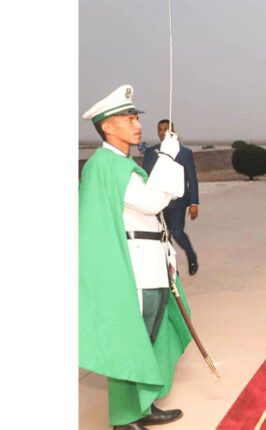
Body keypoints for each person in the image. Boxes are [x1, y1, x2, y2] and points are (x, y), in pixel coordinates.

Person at [79, 85, 191, 430]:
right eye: (128, 119)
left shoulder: (120, 164)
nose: (137, 124)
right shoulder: (106, 166)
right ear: (107, 126)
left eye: (135, 117)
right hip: (134, 267)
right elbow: (152, 202)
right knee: (131, 340)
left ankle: (142, 404)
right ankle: (125, 417)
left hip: (151, 262)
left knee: (149, 338)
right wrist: (167, 157)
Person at [143, 120, 201, 275]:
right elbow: (145, 177)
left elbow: (192, 178)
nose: (163, 132)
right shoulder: (151, 152)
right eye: (160, 129)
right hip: (158, 203)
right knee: (164, 235)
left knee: (177, 231)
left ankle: (191, 255)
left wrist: (194, 203)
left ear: (173, 130)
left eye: (166, 129)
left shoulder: (184, 152)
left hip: (177, 202)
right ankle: (172, 268)